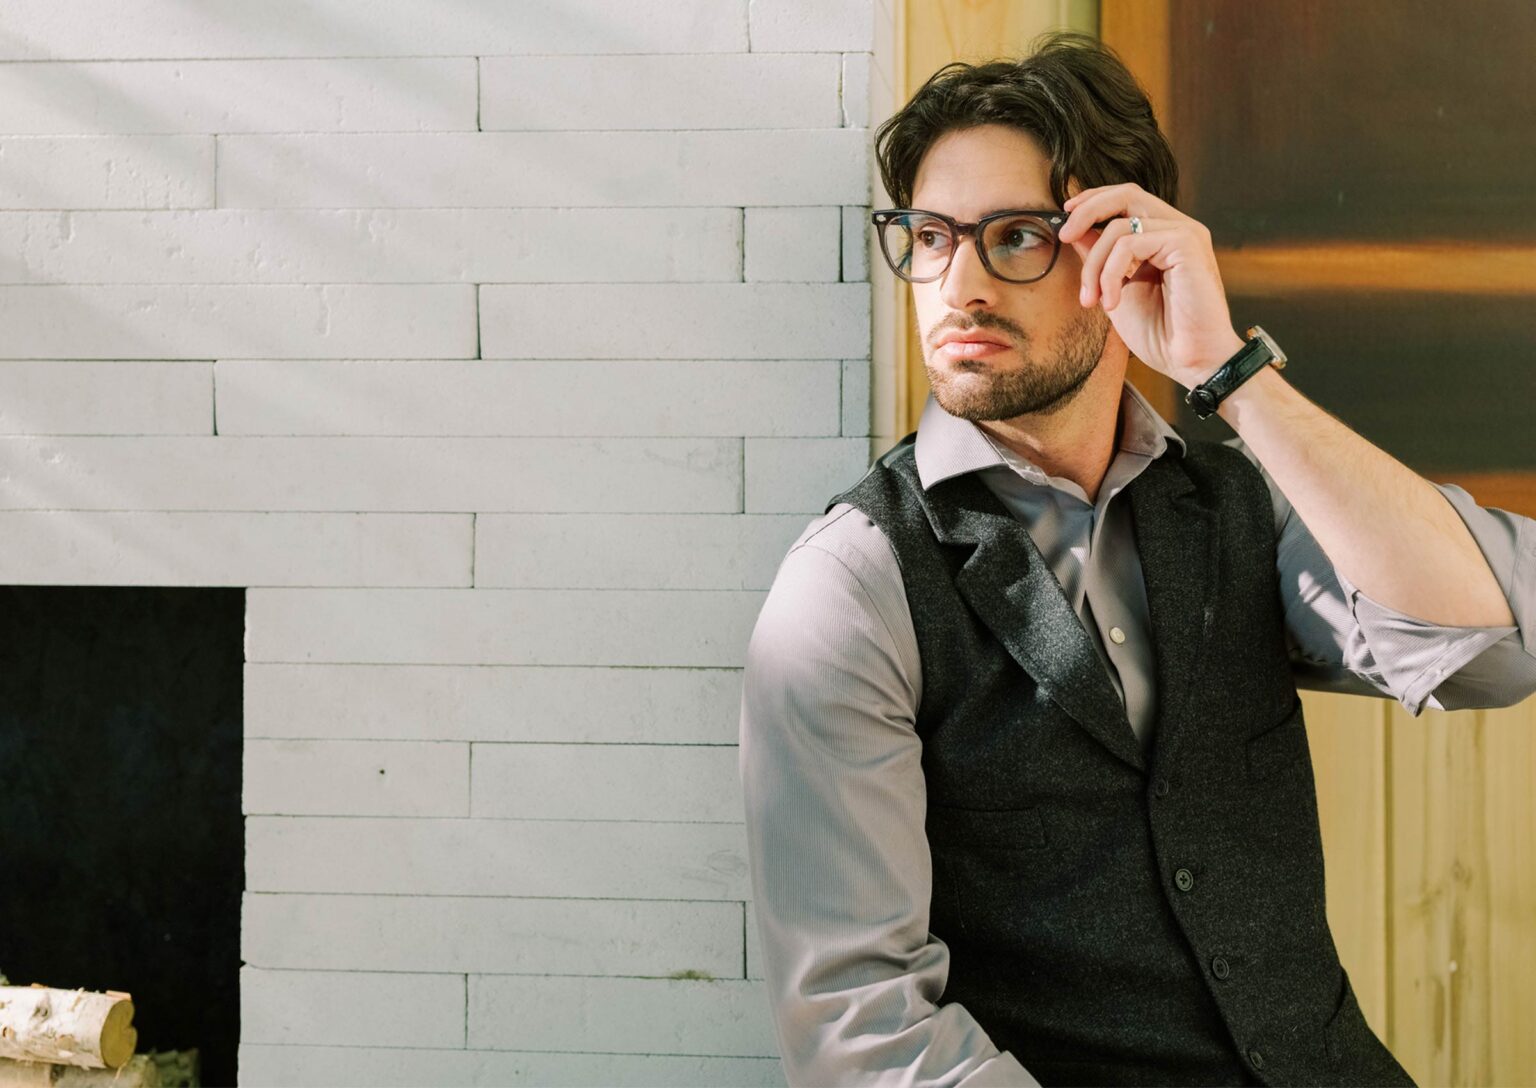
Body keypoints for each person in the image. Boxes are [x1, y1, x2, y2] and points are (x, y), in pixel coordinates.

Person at [737, 30, 1536, 1088]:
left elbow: (1495, 647)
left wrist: (1227, 371)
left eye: (1015, 236)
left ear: (1125, 250)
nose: (959, 284)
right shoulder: (852, 588)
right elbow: (864, 1030)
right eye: (930, 236)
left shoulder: (1239, 508)